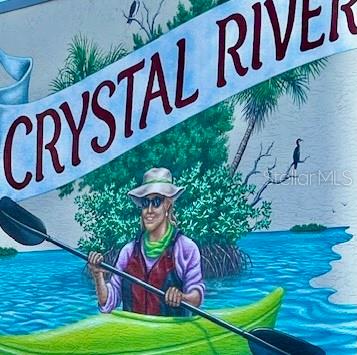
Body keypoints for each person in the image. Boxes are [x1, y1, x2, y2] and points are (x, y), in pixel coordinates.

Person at [88, 167, 204, 316]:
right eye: (145, 203)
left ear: (167, 205)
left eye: (156, 202)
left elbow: (197, 297)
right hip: (134, 333)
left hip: (170, 333)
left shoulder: (186, 248)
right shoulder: (128, 251)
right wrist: (98, 275)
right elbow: (107, 303)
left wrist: (181, 297)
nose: (149, 210)